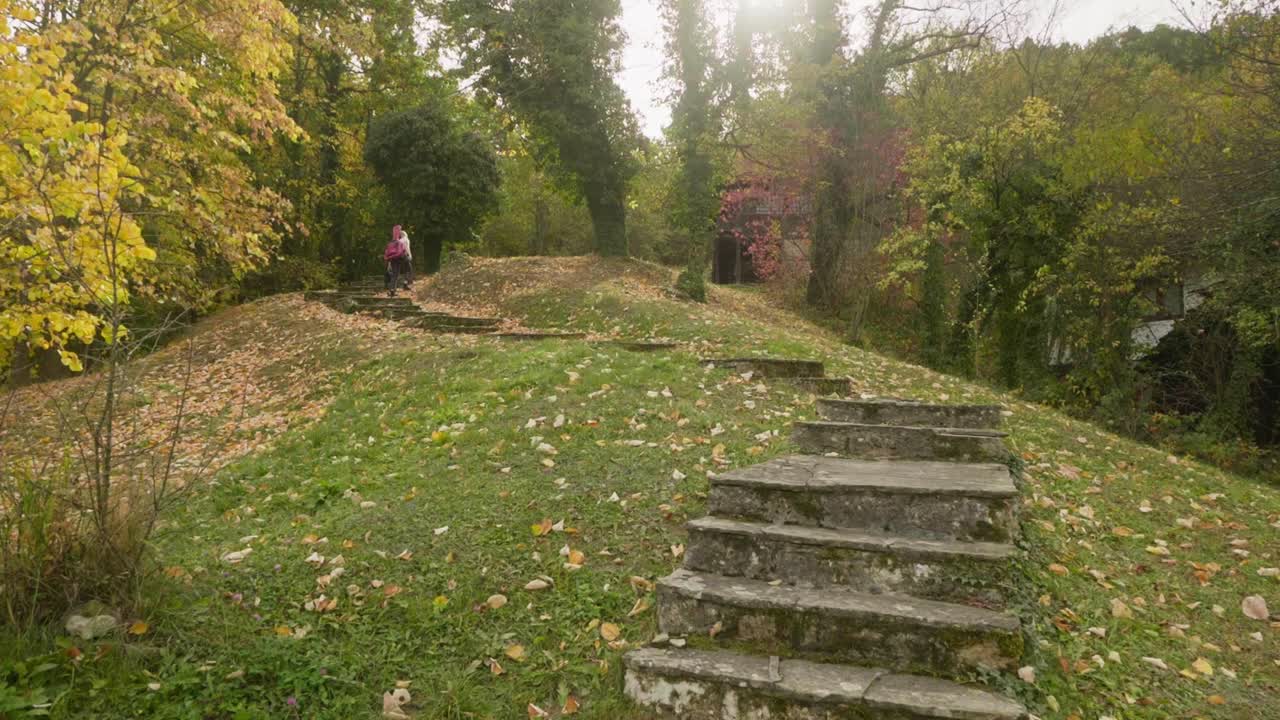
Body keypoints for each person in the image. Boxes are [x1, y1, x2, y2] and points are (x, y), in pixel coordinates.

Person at [384, 225, 412, 296]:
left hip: (392, 260)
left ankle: (392, 290)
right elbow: (402, 252)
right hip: (398, 260)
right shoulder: (400, 243)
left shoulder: (390, 243)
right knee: (398, 274)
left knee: (394, 275)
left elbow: (387, 253)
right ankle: (394, 290)